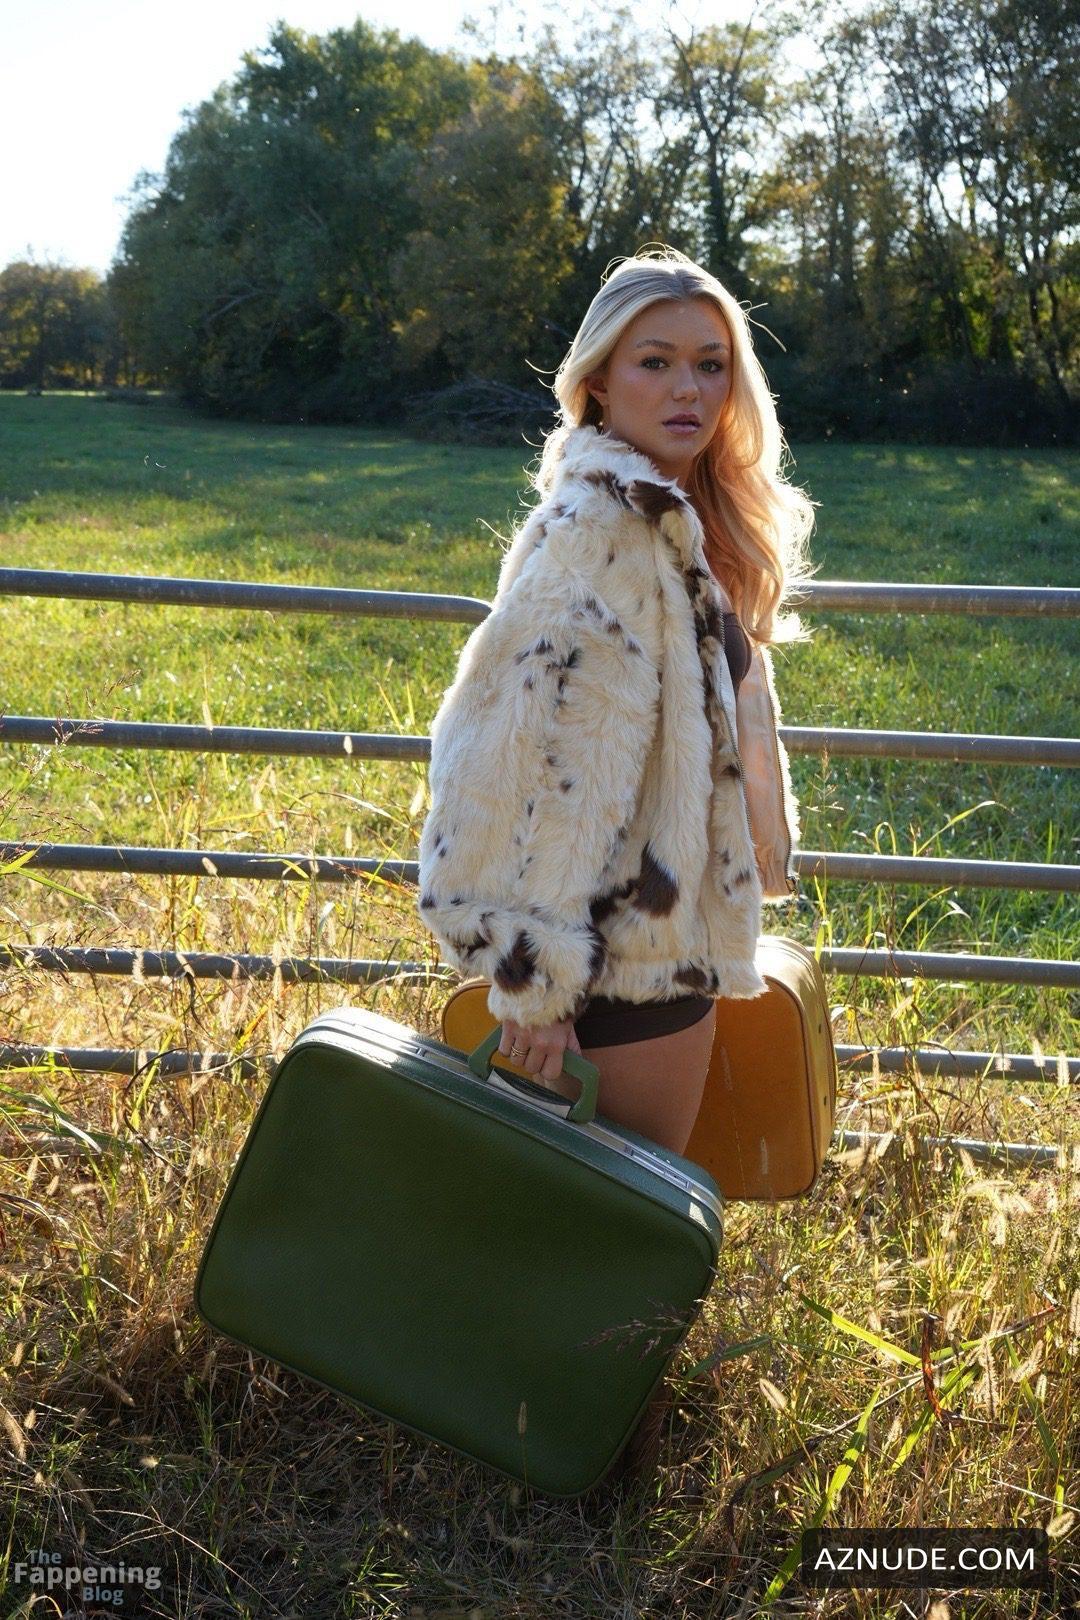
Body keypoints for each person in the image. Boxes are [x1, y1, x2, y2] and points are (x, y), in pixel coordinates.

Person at [416, 244, 816, 1480]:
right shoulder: (603, 530)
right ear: (599, 381)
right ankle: (573, 1491)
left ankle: (554, 1479)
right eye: (656, 362)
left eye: (711, 364)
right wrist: (530, 988)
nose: (688, 389)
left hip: (656, 942)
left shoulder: (670, 522)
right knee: (621, 1251)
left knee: (611, 1236)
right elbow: (510, 771)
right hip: (618, 965)